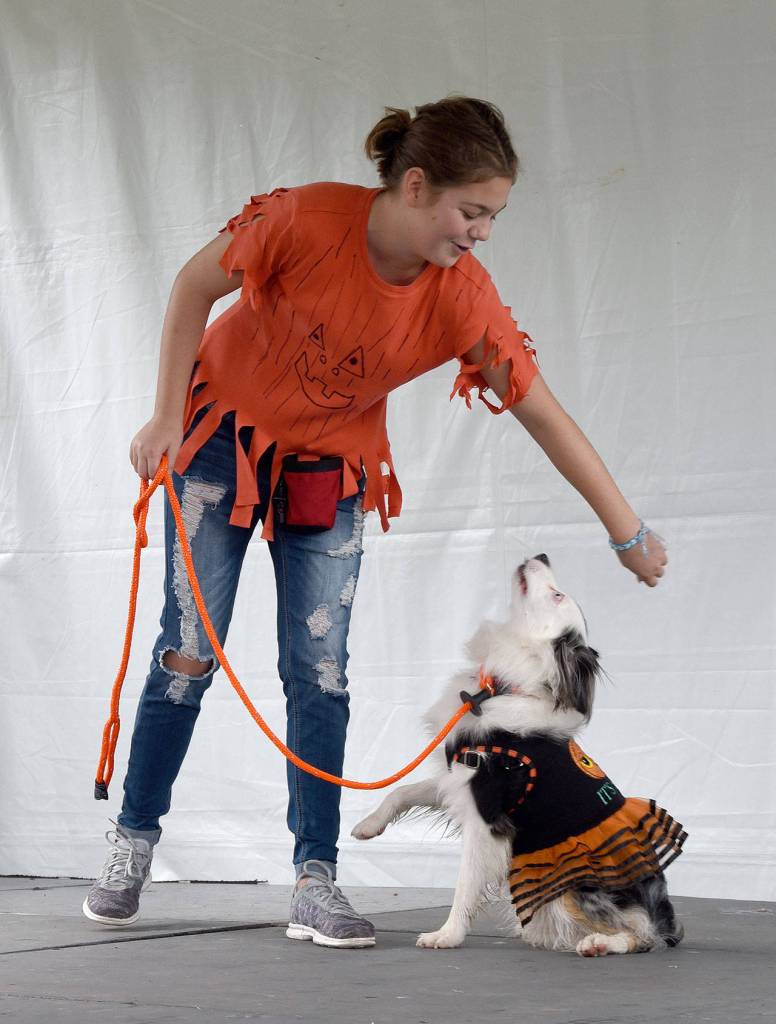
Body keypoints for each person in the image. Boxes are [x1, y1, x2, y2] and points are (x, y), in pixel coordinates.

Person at [82, 96, 668, 949]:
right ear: (416, 184)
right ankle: (132, 841)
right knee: (187, 653)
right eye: (472, 211)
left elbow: (542, 411)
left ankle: (315, 881)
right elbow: (192, 288)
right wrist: (165, 412)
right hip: (216, 446)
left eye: (494, 216)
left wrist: (626, 533)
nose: (482, 232)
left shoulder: (461, 295)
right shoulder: (302, 219)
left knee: (319, 671)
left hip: (330, 471)